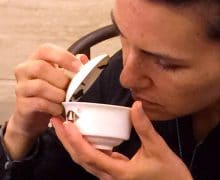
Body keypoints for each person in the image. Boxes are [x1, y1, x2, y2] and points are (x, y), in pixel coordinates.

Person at [1, 0, 220, 179]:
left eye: (164, 63)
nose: (126, 78)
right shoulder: (117, 78)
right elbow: (52, 169)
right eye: (122, 35)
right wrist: (19, 135)